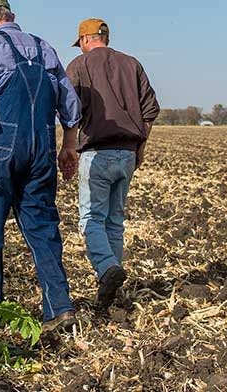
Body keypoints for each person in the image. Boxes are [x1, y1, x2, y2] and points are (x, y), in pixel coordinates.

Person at [0, 0, 81, 327]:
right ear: (12, 16)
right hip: (42, 150)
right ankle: (60, 307)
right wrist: (69, 146)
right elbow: (69, 103)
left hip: (0, 149)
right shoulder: (44, 48)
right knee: (43, 228)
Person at [58, 18, 159, 310]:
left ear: (86, 40)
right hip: (127, 153)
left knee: (90, 219)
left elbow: (69, 111)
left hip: (96, 154)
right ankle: (111, 288)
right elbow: (150, 111)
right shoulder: (132, 64)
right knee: (114, 221)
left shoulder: (79, 66)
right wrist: (140, 147)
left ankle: (106, 268)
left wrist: (68, 149)